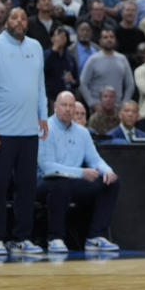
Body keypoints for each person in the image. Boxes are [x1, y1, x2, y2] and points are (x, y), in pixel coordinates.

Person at [0, 7, 48, 254]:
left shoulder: (36, 47)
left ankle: (21, 238)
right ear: (6, 21)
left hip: (28, 131)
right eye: (14, 17)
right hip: (0, 131)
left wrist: (43, 115)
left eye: (23, 17)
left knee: (27, 187)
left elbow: (41, 85)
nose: (19, 21)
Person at [37, 91, 121, 252]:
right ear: (55, 107)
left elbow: (95, 160)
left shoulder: (82, 132)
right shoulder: (44, 129)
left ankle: (95, 236)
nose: (68, 109)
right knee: (59, 185)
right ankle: (56, 238)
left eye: (71, 106)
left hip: (73, 181)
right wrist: (81, 172)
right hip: (46, 181)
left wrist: (108, 171)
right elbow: (47, 166)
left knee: (111, 183)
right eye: (64, 105)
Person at [79, 29, 135, 108]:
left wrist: (124, 103)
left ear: (115, 40)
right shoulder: (93, 59)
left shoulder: (122, 59)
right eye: (105, 37)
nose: (109, 39)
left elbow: (130, 84)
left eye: (111, 37)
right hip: (98, 107)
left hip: (118, 107)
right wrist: (91, 103)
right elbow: (82, 83)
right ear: (100, 41)